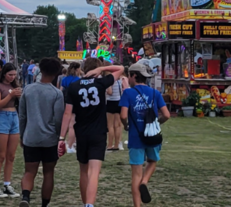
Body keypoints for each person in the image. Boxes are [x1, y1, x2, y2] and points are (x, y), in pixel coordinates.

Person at [60, 58, 124, 207]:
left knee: (83, 171)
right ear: (97, 69)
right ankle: (90, 204)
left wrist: (61, 137)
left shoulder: (74, 86)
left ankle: (84, 203)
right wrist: (101, 70)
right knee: (94, 172)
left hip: (81, 131)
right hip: (98, 132)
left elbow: (67, 114)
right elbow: (120, 69)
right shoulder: (100, 83)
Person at [120, 60, 170, 207]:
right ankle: (145, 181)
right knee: (153, 161)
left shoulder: (128, 93)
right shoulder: (155, 93)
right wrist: (156, 123)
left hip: (136, 136)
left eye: (129, 75)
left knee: (136, 172)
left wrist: (126, 125)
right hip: (153, 135)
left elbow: (123, 116)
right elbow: (166, 114)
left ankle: (137, 205)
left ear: (134, 76)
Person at [19, 58, 65, 207]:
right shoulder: (56, 93)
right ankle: (44, 204)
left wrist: (22, 134)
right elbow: (58, 118)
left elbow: (23, 115)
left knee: (29, 171)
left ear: (40, 70)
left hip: (31, 136)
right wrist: (59, 137)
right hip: (49, 138)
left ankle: (25, 196)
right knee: (48, 173)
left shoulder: (28, 89)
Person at [0, 62, 22, 197]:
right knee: (1, 155)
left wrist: (19, 96)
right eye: (10, 75)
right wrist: (11, 95)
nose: (12, 77)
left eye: (14, 75)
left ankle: (7, 184)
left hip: (14, 116)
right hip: (2, 117)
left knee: (11, 156)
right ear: (4, 74)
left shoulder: (15, 85)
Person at [59, 62, 81, 153]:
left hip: (66, 102)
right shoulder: (77, 79)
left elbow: (60, 91)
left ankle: (69, 142)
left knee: (67, 124)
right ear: (77, 69)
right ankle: (70, 145)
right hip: (75, 103)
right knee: (73, 125)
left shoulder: (64, 79)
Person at [106, 66, 125, 151]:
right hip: (118, 101)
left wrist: (105, 89)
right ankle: (116, 144)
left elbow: (110, 92)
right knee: (117, 125)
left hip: (110, 102)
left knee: (110, 125)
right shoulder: (119, 80)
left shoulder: (110, 81)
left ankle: (110, 145)